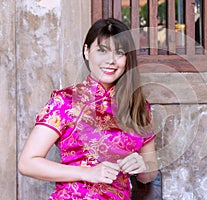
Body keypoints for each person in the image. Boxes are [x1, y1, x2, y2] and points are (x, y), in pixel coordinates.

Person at [18, 18, 158, 200]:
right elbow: (28, 163)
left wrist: (144, 166)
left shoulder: (139, 107)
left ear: (127, 59)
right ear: (86, 51)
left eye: (120, 53)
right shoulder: (65, 101)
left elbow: (150, 170)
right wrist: (87, 173)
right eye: (102, 50)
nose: (111, 61)